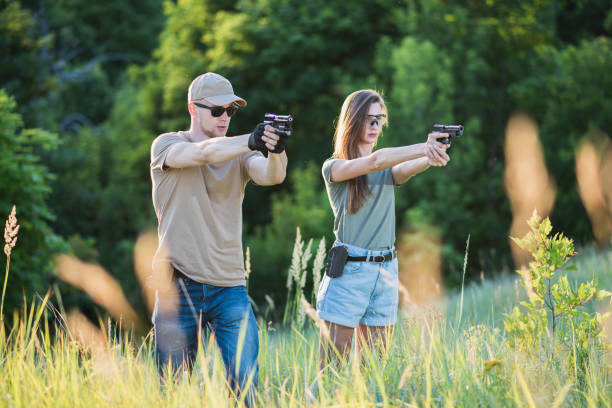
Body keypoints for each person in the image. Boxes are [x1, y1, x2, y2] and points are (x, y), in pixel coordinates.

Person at [149, 72, 288, 403]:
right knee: (174, 393)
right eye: (218, 110)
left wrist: (277, 149)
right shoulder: (167, 144)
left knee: (245, 387)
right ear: (193, 109)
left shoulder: (238, 154)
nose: (225, 117)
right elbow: (202, 155)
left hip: (230, 287)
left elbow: (272, 175)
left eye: (231, 111)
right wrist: (251, 139)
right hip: (177, 285)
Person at [316, 89, 450, 362]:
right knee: (330, 370)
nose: (375, 125)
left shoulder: (387, 171)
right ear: (352, 121)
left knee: (374, 370)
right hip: (350, 271)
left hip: (386, 271)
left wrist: (432, 154)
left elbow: (406, 168)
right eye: (368, 119)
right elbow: (376, 160)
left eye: (379, 119)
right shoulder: (334, 167)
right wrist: (424, 146)